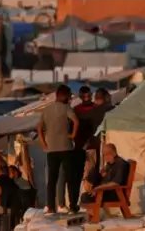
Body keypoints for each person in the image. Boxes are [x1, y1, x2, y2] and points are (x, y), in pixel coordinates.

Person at [38, 84, 80, 214]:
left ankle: (51, 205)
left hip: (52, 148)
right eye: (69, 96)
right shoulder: (66, 108)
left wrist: (43, 143)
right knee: (69, 178)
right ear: (64, 96)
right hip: (65, 147)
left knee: (52, 179)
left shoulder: (47, 109)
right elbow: (76, 121)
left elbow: (39, 128)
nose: (70, 99)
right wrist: (72, 135)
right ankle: (72, 206)